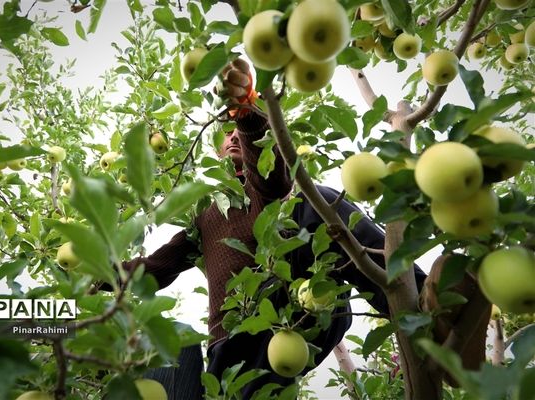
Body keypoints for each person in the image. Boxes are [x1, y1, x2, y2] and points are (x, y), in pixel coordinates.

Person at [125, 60, 484, 398]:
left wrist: (246, 112)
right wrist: (92, 274)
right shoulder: (204, 214)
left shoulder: (263, 183)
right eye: (227, 134)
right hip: (234, 340)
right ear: (217, 150)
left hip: (303, 303)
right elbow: (156, 268)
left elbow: (271, 179)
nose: (233, 137)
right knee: (178, 349)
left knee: (314, 201)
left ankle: (430, 313)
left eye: (238, 132)